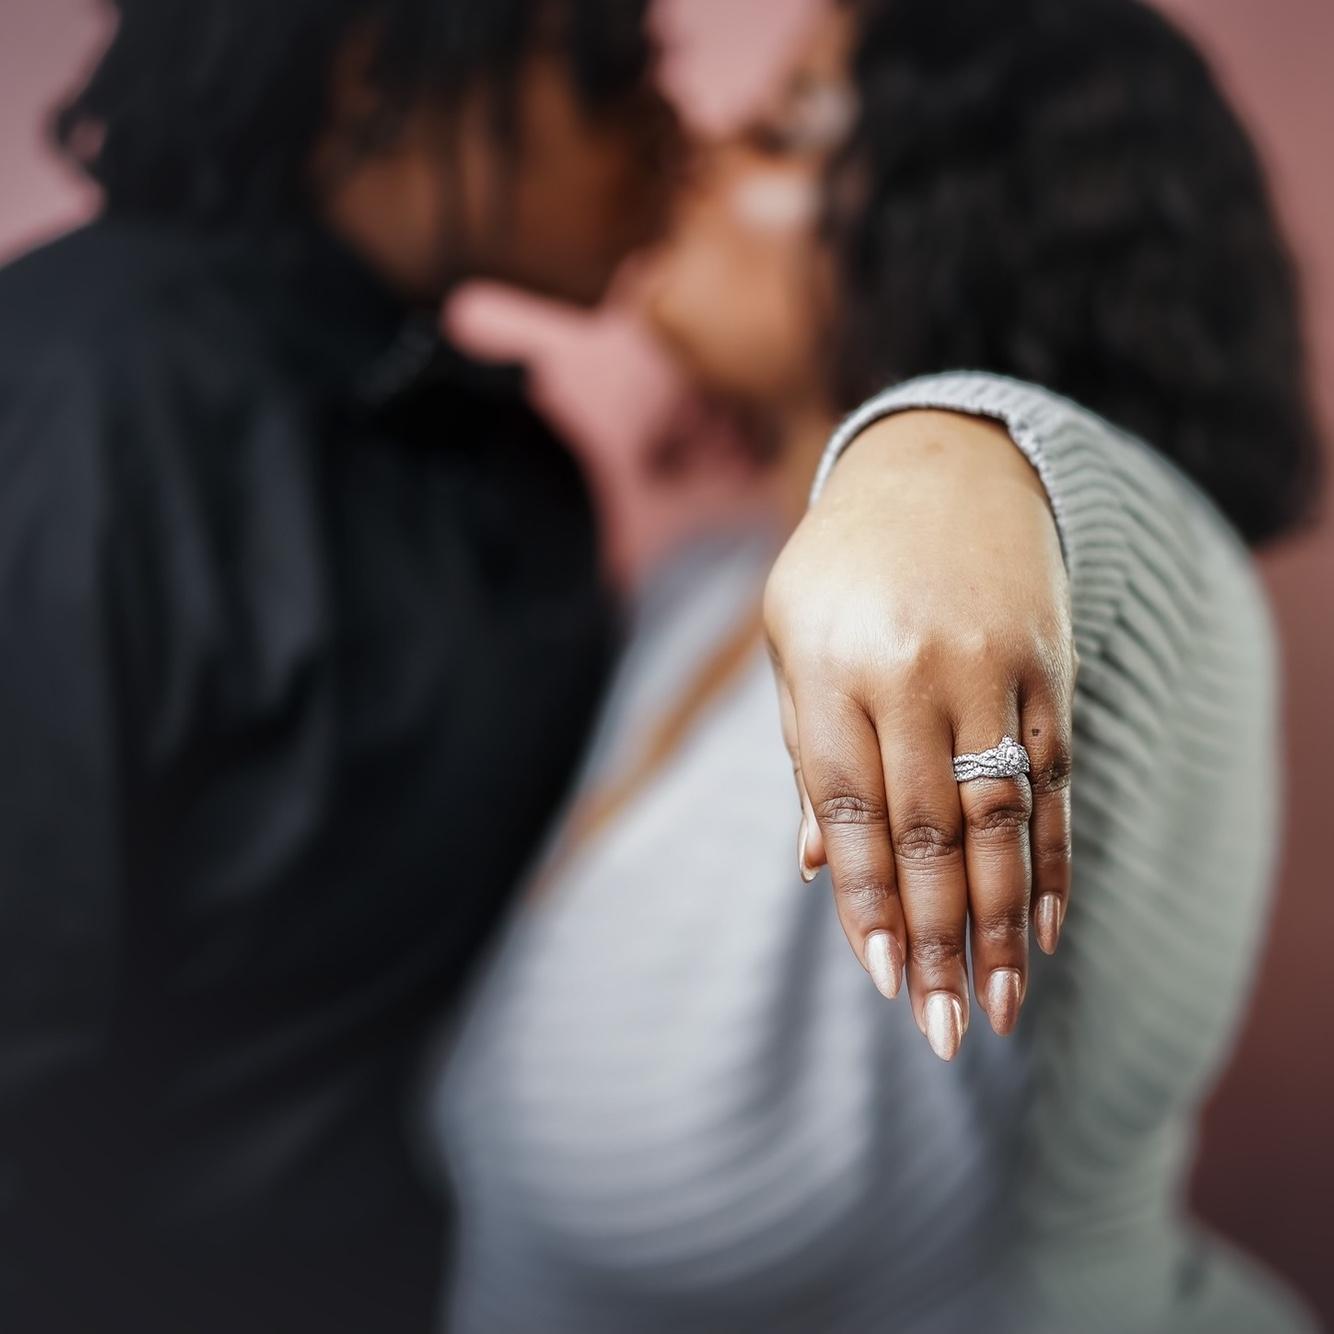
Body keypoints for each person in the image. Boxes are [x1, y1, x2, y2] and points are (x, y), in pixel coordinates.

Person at [0, 0, 1098, 1329]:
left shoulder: (516, 478)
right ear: (372, 71)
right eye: (608, 66)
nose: (674, 130)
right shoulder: (72, 407)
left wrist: (960, 450)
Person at [430, 0, 1321, 1330]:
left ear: (960, 222)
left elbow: (1149, 555)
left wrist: (952, 450)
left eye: (782, 129)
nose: (699, 148)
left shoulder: (1079, 615)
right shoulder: (691, 598)